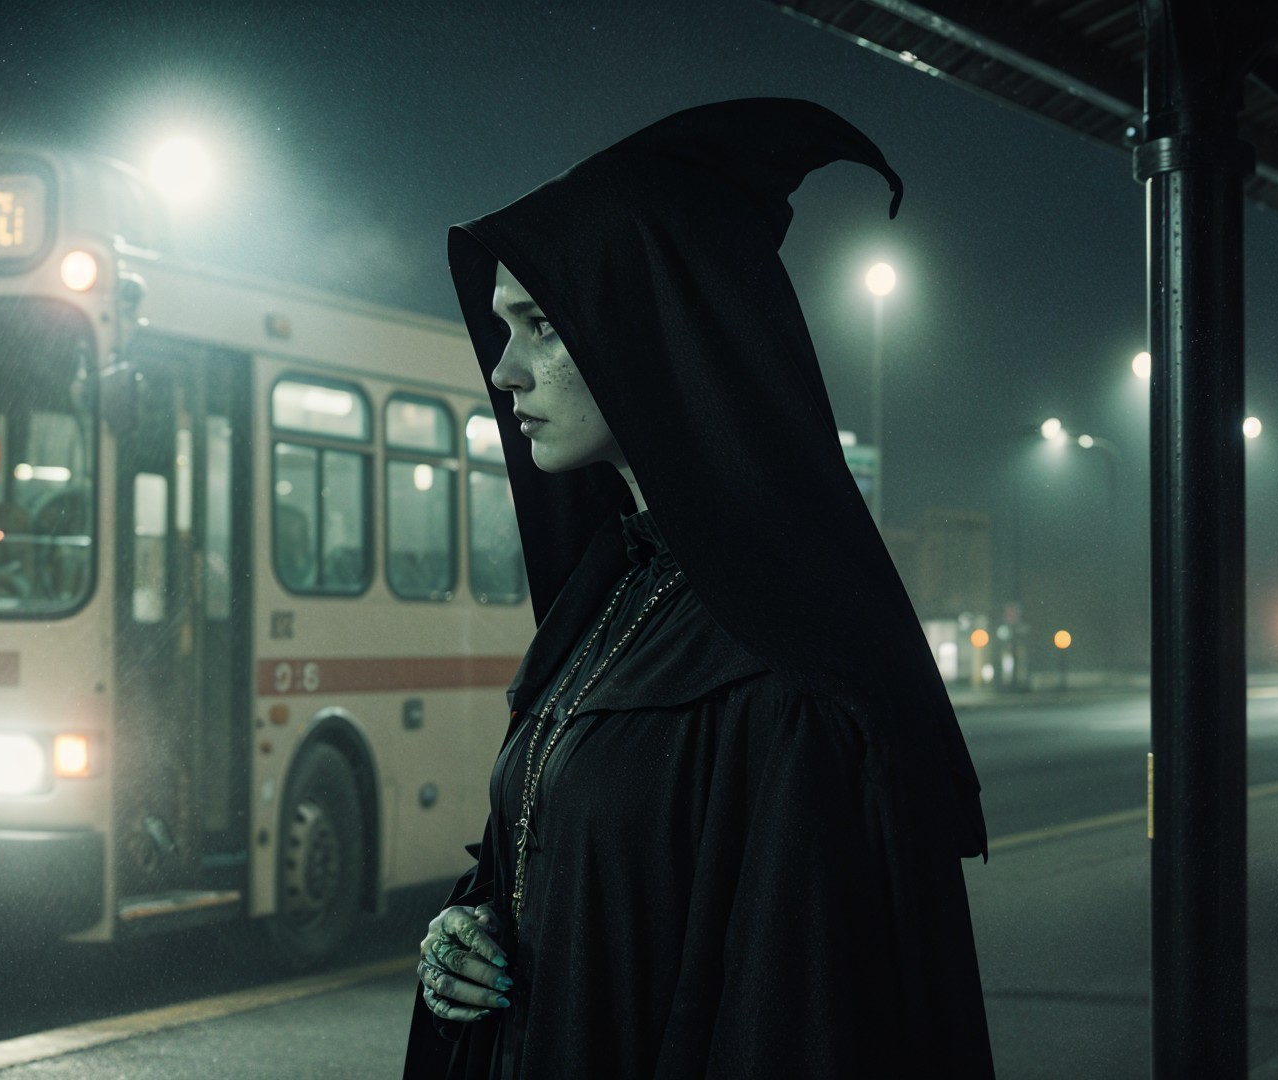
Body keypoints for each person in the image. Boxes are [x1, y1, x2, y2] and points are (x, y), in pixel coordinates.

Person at [402, 98, 992, 1079]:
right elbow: (552, 856)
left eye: (541, 326)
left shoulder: (785, 668)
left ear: (650, 328)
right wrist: (463, 935)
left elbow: (797, 1024)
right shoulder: (613, 599)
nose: (504, 372)